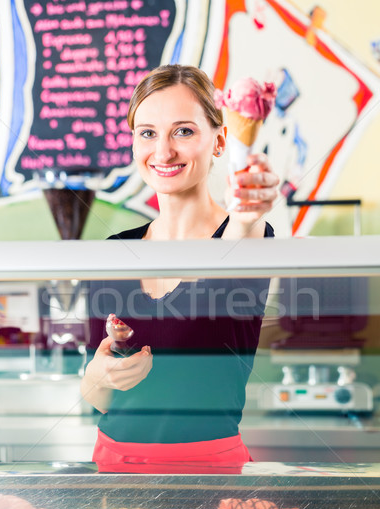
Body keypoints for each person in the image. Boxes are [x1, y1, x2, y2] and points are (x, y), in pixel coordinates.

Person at [81, 64, 279, 473]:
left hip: (210, 478)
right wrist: (101, 376)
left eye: (183, 131)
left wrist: (250, 203)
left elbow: (244, 226)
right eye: (148, 133)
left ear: (219, 140)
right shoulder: (112, 254)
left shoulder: (243, 235)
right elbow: (97, 397)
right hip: (115, 476)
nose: (163, 152)